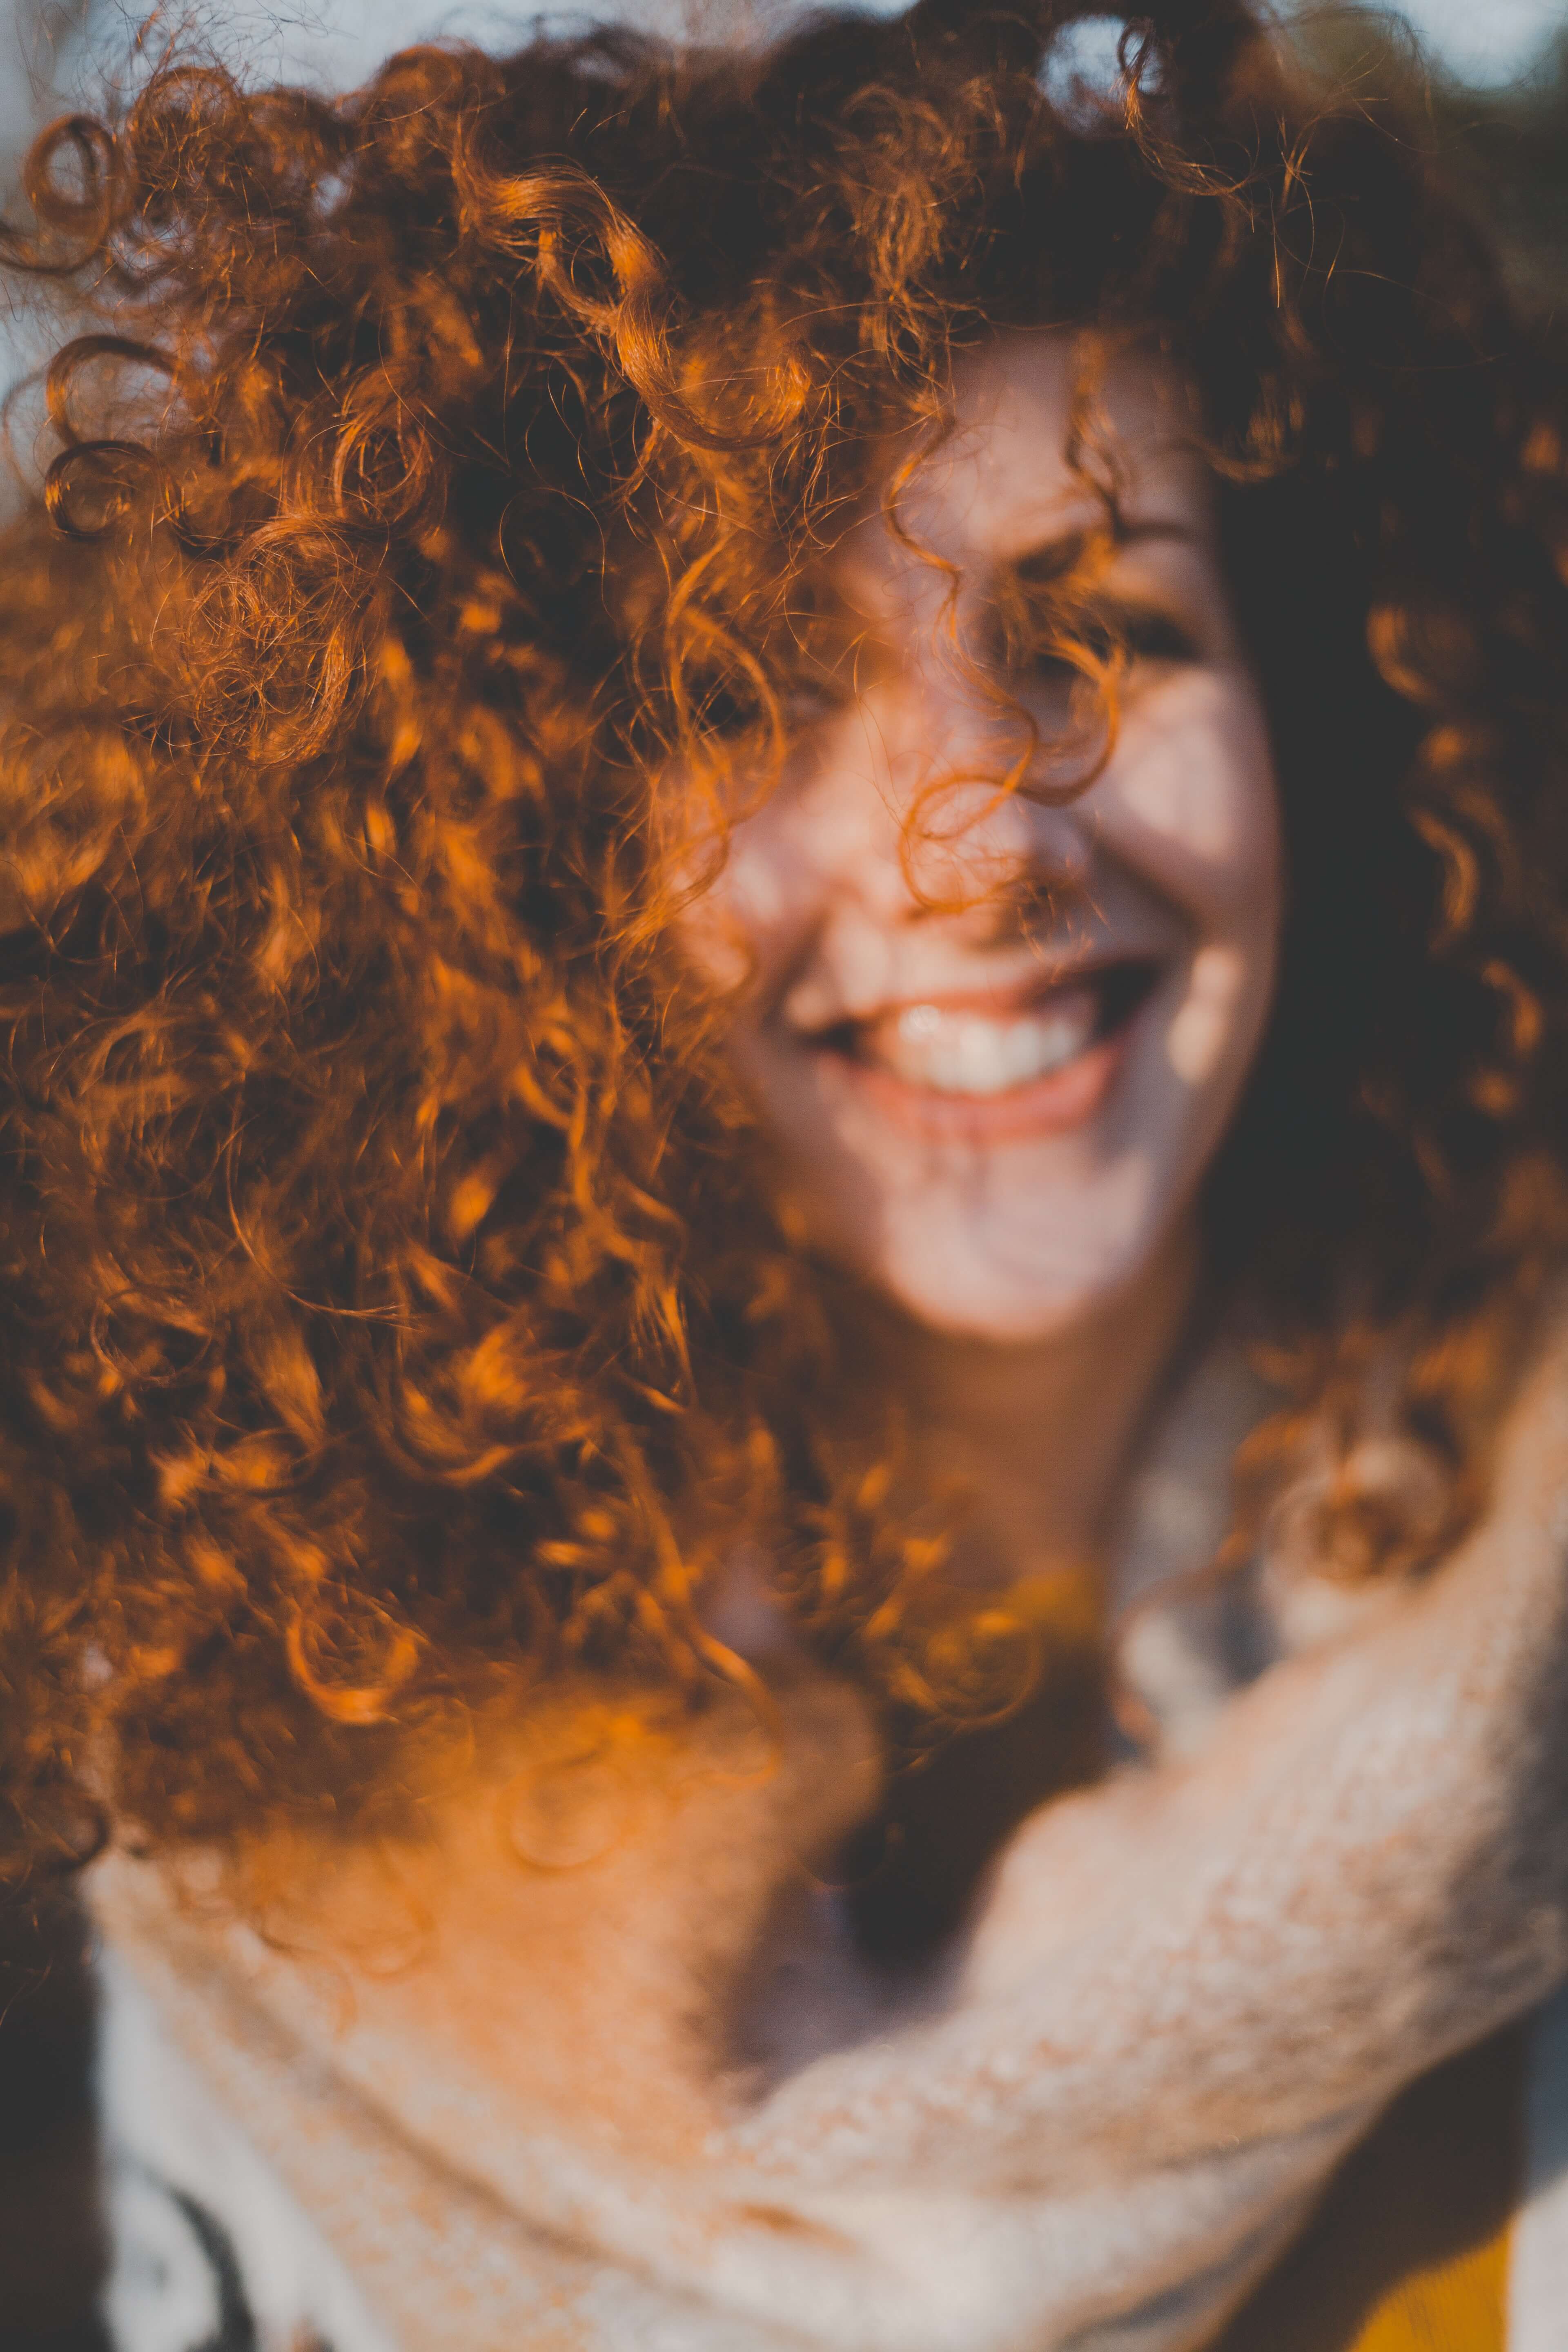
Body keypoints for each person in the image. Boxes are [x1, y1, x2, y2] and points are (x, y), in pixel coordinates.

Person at [2, 2, 1567, 2345]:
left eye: (1103, 632)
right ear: (496, 854)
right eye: (751, 692)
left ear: (1339, 716)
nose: (983, 847)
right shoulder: (294, 1816)